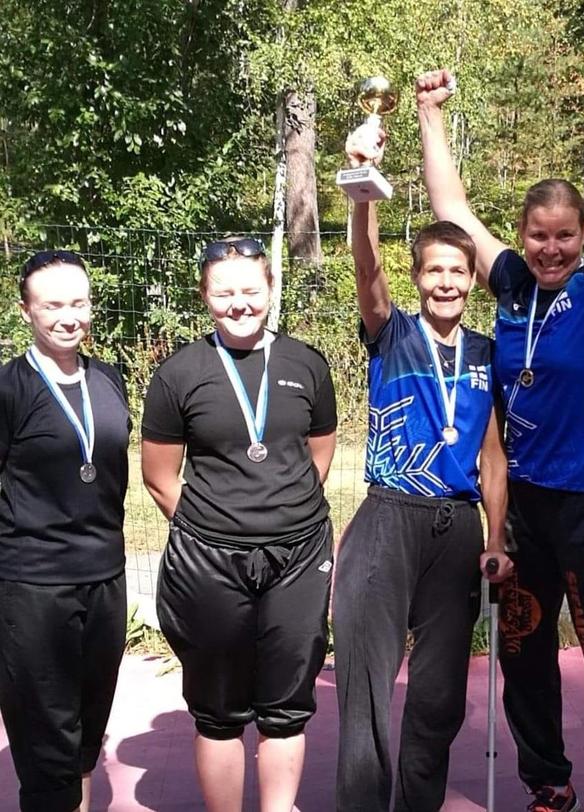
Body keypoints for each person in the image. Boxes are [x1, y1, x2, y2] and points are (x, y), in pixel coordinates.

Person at [416, 47, 584, 812]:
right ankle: (549, 780)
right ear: (522, 235)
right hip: (525, 507)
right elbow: (452, 208)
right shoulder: (505, 285)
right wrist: (430, 114)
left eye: (565, 235)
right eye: (538, 235)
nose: (550, 248)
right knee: (523, 648)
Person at [332, 127, 512, 812]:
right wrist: (363, 191)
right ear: (419, 277)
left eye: (456, 271)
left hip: (456, 529)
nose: (445, 281)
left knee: (438, 700)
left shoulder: (487, 353)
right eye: (433, 269)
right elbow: (366, 269)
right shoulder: (393, 332)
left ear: (472, 281)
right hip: (387, 520)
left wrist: (497, 539)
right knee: (367, 693)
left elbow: (493, 457)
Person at [140, 237, 337, 812]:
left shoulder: (306, 363)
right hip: (210, 562)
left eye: (251, 290)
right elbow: (158, 475)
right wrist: (212, 529)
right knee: (219, 710)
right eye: (224, 293)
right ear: (205, 298)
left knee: (286, 706)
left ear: (271, 289)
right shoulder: (180, 373)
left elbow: (318, 455)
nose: (239, 303)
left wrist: (282, 513)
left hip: (298, 556)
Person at [0, 250, 131, 812]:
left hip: (104, 578)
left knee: (84, 736)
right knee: (46, 745)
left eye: (78, 302)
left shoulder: (109, 378)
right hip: (34, 587)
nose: (67, 316)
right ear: (27, 309)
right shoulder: (9, 388)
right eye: (52, 304)